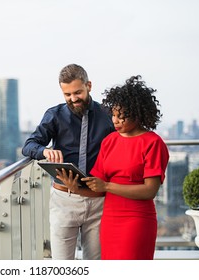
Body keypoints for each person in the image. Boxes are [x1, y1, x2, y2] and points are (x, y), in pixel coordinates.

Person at [57, 75, 169, 260]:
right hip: (110, 219)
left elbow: (150, 191)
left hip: (137, 220)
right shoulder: (109, 141)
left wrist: (107, 186)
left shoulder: (153, 143)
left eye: (121, 116)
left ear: (137, 113)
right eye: (113, 115)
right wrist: (76, 188)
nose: (115, 120)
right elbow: (98, 188)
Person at [22, 64, 114, 260]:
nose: (73, 99)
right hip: (64, 200)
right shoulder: (54, 115)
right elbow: (29, 145)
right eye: (67, 94)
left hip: (99, 200)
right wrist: (44, 151)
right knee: (62, 265)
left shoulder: (108, 115)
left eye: (78, 92)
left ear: (89, 85)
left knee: (95, 264)